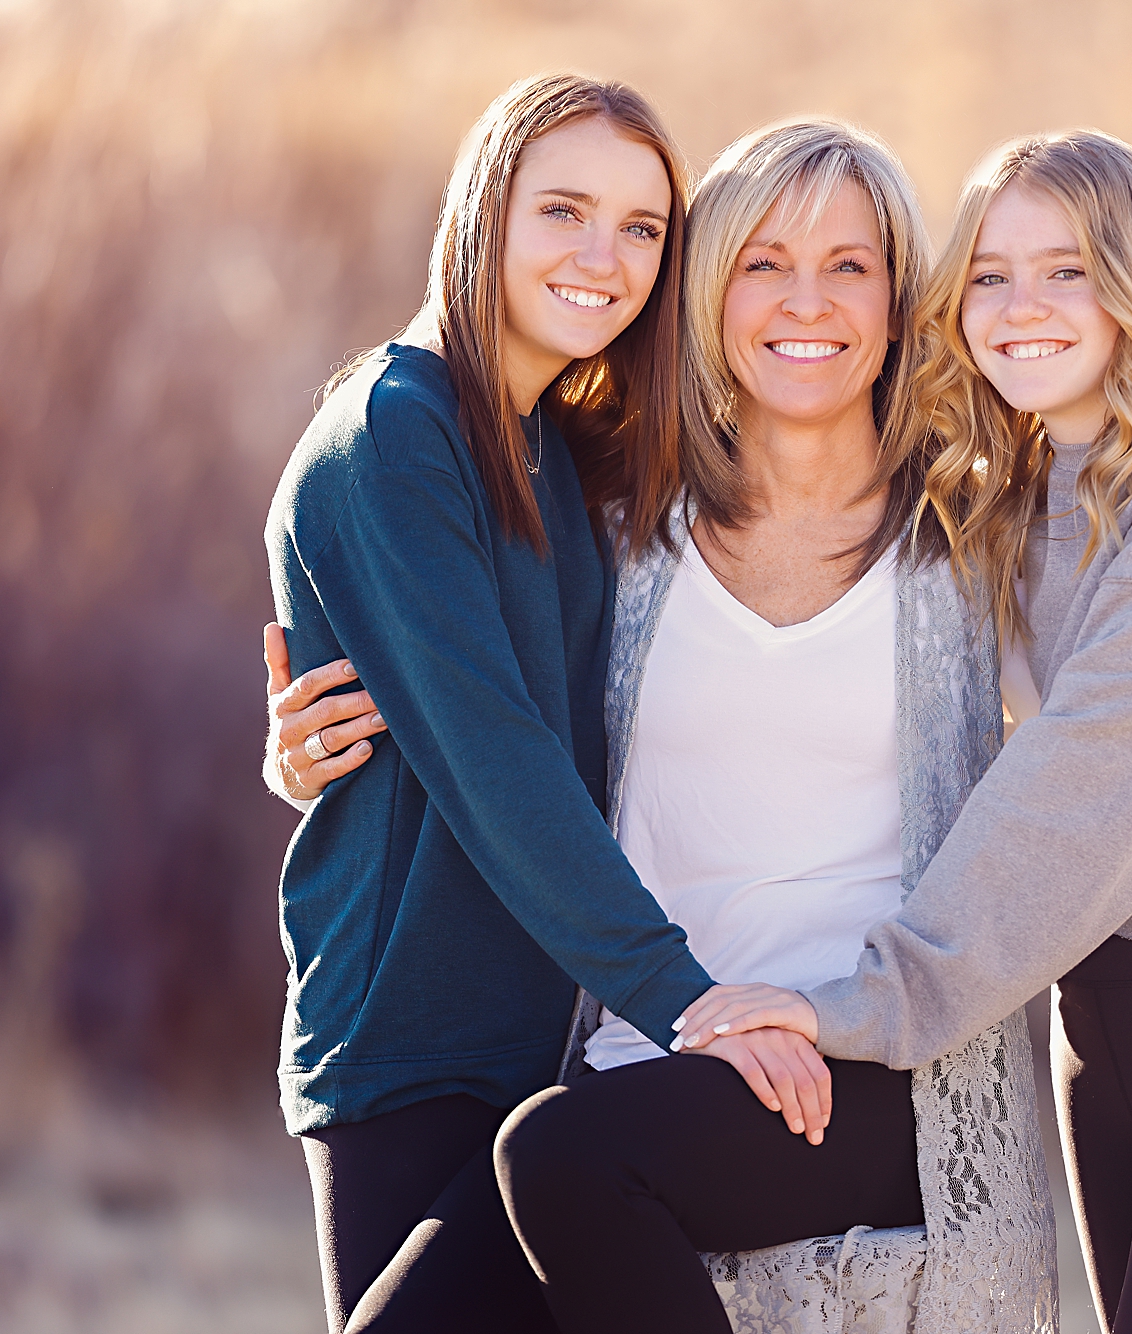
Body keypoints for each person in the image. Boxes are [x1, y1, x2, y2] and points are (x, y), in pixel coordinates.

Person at [675, 130, 1132, 1334]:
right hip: (1101, 1010)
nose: (1020, 306)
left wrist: (867, 1000)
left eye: (1067, 271)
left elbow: (1081, 770)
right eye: (990, 274)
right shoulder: (1024, 483)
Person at [260, 73, 825, 1334]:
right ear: (482, 212)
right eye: (562, 209)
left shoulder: (550, 441)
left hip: (543, 1041)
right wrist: (684, 998)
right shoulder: (390, 437)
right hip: (410, 1039)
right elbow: (496, 757)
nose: (602, 257)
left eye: (641, 229)